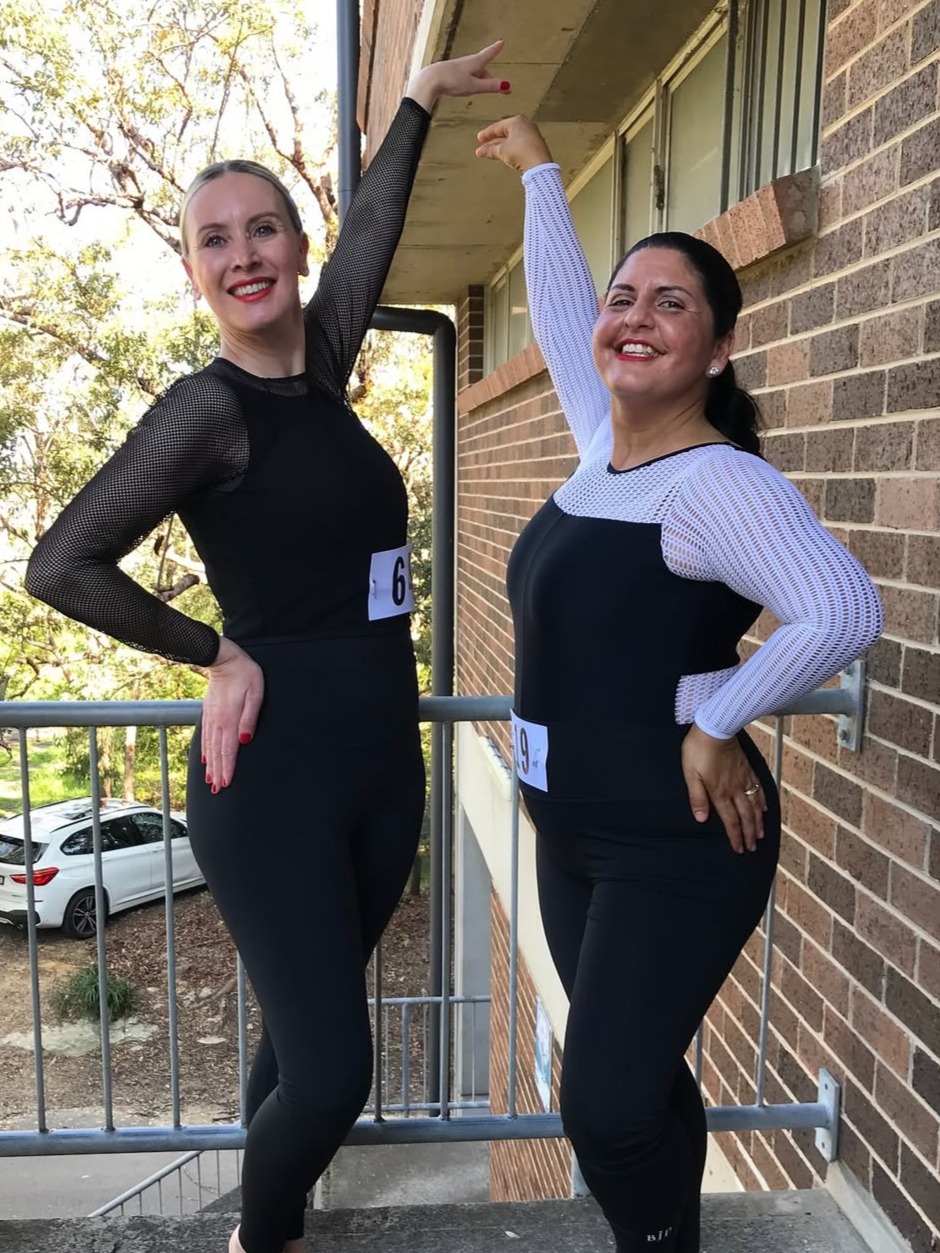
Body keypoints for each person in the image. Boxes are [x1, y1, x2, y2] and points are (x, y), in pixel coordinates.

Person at [25, 45, 510, 1253]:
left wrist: (415, 101)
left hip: (379, 769)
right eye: (215, 240)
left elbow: (377, 234)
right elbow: (60, 563)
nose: (244, 254)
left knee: (296, 1044)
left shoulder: (327, 368)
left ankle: (272, 1228)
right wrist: (215, 651)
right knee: (335, 1069)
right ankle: (260, 1235)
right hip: (271, 777)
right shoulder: (209, 410)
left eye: (264, 230)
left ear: (293, 247)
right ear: (196, 271)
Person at [475, 116, 882, 1253]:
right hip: (569, 830)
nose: (632, 318)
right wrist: (542, 176)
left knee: (601, 1104)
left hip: (678, 837)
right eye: (626, 298)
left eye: (669, 303)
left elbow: (845, 608)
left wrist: (717, 714)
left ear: (714, 352)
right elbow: (562, 325)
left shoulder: (716, 482)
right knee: (639, 1077)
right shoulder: (601, 454)